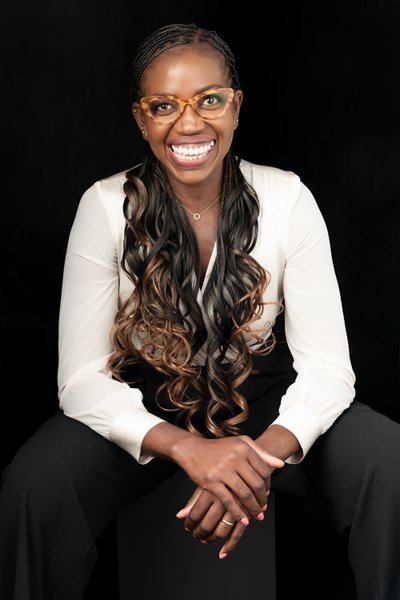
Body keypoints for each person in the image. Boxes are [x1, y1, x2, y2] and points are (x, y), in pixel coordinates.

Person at [0, 22, 399, 600]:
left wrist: (253, 462)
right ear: (142, 119)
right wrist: (189, 449)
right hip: (147, 406)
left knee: (391, 462)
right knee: (32, 486)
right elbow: (81, 381)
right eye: (165, 105)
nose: (189, 123)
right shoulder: (105, 206)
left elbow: (329, 369)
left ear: (236, 107)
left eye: (210, 100)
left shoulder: (288, 198)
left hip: (261, 402)